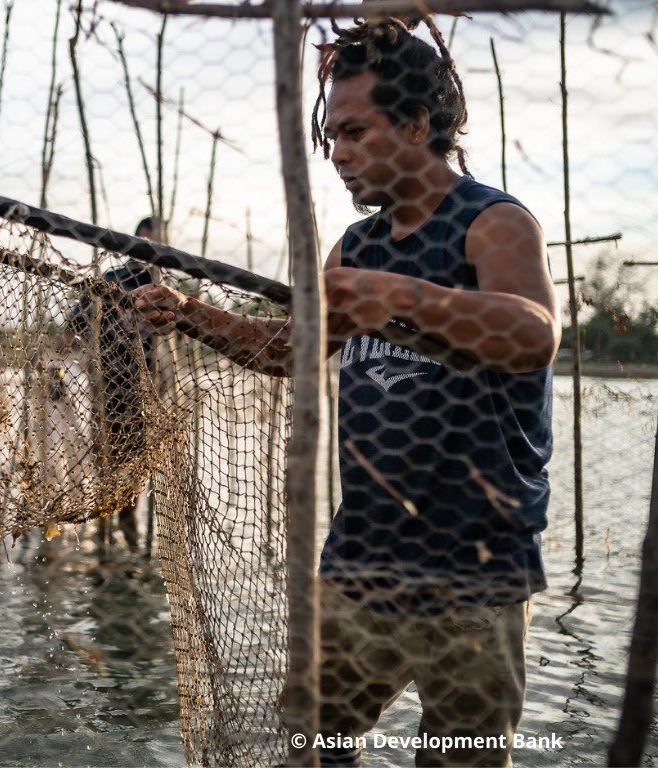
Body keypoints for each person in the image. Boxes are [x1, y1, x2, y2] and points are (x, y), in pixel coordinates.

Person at [130, 19, 558, 767]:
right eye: (331, 137)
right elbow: (286, 349)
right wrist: (192, 315)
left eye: (355, 132)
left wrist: (400, 299)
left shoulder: (492, 224)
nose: (338, 154)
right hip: (361, 560)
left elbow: (531, 334)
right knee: (313, 741)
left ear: (418, 124)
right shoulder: (355, 248)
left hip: (475, 569)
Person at [59, 216, 158, 553]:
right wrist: (55, 363)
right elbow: (74, 323)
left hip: (145, 388)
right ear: (142, 238)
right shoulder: (115, 279)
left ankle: (128, 539)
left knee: (134, 466)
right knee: (110, 460)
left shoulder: (162, 283)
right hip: (110, 384)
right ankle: (107, 539)